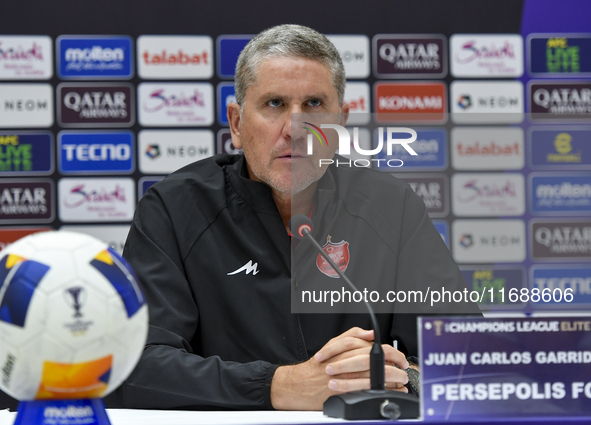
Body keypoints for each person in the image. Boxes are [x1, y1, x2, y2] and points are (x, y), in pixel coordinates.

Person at [105, 24, 477, 411]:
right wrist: (278, 386)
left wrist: (403, 379)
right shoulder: (176, 207)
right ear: (236, 123)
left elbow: (466, 352)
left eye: (315, 104)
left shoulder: (389, 205)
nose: (296, 129)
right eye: (274, 104)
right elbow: (133, 366)